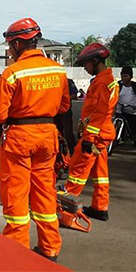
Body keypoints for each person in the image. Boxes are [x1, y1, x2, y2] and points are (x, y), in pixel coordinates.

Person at [0, 18, 70, 262]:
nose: (8, 50)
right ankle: (50, 248)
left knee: (16, 195)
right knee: (44, 192)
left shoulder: (12, 73)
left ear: (16, 44)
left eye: (9, 45)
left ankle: (17, 253)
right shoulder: (57, 70)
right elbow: (64, 106)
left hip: (19, 140)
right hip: (47, 137)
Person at [65, 43, 119, 222]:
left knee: (77, 171)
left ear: (95, 60)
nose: (85, 68)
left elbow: (99, 113)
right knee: (100, 174)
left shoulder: (103, 83)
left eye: (86, 64)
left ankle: (65, 208)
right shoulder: (106, 79)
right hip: (102, 135)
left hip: (95, 136)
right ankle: (100, 207)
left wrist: (88, 138)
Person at [54, 78, 79, 154]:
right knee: (57, 132)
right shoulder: (53, 82)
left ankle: (73, 150)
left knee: (68, 132)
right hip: (55, 111)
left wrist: (63, 99)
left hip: (65, 111)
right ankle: (59, 151)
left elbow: (74, 95)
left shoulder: (68, 81)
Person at [117, 66, 136, 145]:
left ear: (131, 77)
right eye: (122, 76)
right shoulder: (118, 85)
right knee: (117, 123)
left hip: (132, 109)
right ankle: (119, 138)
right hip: (120, 108)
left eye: (126, 76)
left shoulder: (134, 86)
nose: (124, 78)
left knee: (133, 126)